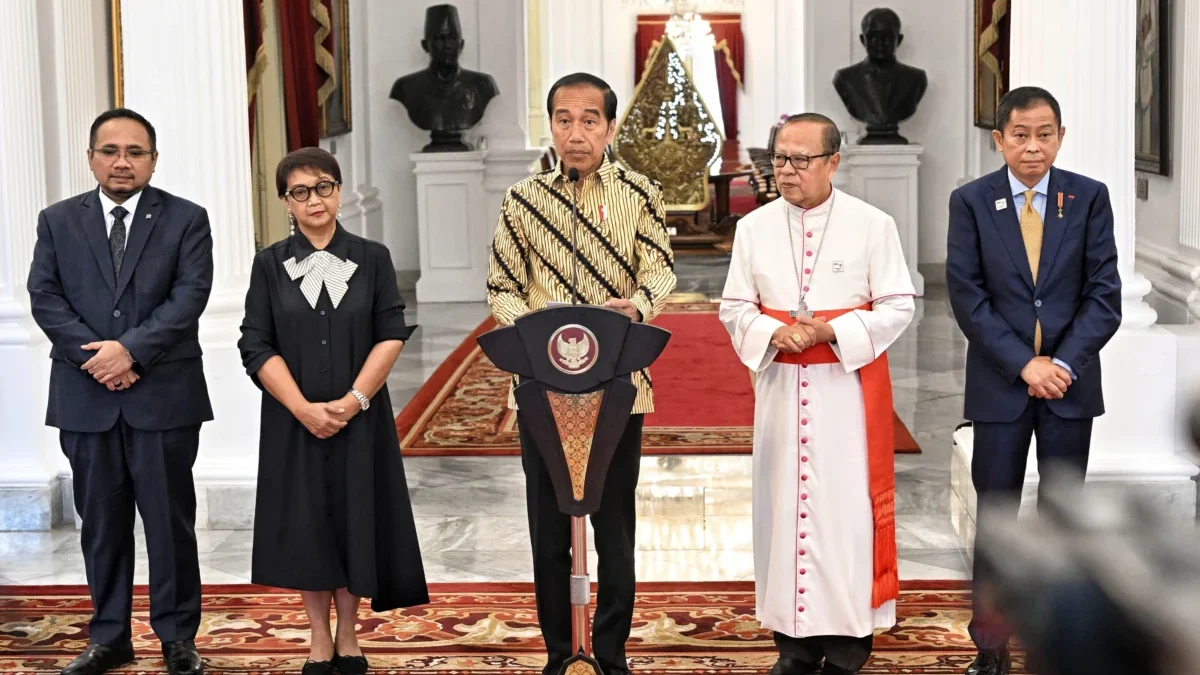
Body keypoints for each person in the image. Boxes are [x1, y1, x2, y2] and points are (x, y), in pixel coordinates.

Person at [485, 72, 677, 675]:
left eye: (589, 120)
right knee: (547, 528)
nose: (576, 133)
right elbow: (501, 286)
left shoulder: (642, 193)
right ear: (551, 126)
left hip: (618, 389)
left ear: (611, 127)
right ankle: (560, 650)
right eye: (563, 120)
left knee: (614, 526)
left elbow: (662, 271)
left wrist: (638, 307)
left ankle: (612, 653)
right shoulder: (522, 202)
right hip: (542, 392)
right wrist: (535, 336)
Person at [719, 113, 916, 675]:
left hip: (846, 397)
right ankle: (794, 645)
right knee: (785, 511)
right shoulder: (754, 227)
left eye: (801, 160)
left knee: (844, 514)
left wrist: (832, 331)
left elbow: (899, 305)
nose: (787, 170)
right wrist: (772, 332)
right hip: (781, 391)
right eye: (780, 157)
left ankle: (850, 645)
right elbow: (734, 308)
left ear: (834, 161)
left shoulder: (872, 225)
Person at [27, 109, 211, 675]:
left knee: (169, 523)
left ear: (153, 159)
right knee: (101, 525)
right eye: (110, 151)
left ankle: (178, 639)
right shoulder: (58, 220)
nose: (122, 161)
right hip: (87, 400)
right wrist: (100, 361)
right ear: (91, 158)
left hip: (163, 395)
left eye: (136, 151)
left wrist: (128, 352)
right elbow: (45, 296)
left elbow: (188, 297)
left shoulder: (187, 219)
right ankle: (109, 637)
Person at [945, 86, 1121, 675]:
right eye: (1020, 134)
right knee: (996, 519)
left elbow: (1104, 296)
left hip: (1069, 388)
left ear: (1061, 137)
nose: (1033, 146)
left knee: (1063, 519)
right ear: (999, 140)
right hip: (1001, 388)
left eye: (1044, 134)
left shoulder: (1089, 198)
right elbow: (969, 298)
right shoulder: (971, 201)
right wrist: (1026, 365)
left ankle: (1060, 640)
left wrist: (1062, 365)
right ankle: (989, 647)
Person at [237, 147, 429, 675]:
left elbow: (391, 332)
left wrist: (351, 403)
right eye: (300, 192)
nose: (314, 199)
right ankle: (318, 638)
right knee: (308, 526)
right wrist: (302, 408)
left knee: (354, 520)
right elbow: (255, 344)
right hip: (293, 421)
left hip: (359, 420)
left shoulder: (372, 258)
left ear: (339, 191)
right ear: (285, 202)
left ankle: (349, 635)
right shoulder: (269, 265)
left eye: (323, 187)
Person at [832, 8, 928, 144]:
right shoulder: (845, 79)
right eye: (873, 36)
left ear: (899, 40)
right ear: (863, 40)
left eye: (887, 36)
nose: (880, 42)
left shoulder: (916, 79)